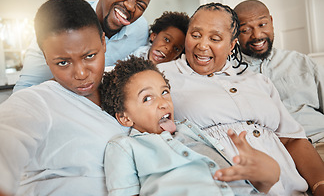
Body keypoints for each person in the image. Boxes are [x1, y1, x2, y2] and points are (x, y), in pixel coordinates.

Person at [157, 2, 324, 196]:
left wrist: (320, 184)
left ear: (231, 45)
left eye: (215, 38)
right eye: (195, 35)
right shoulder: (163, 76)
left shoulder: (257, 81)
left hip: (291, 188)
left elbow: (292, 139)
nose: (202, 45)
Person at [100, 55, 280, 196]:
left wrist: (267, 171)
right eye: (147, 98)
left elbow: (260, 186)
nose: (164, 103)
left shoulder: (190, 130)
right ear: (125, 118)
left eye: (164, 92)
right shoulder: (125, 147)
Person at [0, 0, 126, 196]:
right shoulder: (35, 102)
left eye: (89, 56)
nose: (81, 74)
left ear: (103, 43)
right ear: (45, 57)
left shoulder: (123, 80)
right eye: (62, 63)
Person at [13, 0, 155, 92]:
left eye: (140, 5)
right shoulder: (57, 24)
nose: (130, 6)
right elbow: (23, 91)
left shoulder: (140, 29)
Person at [234, 0, 324, 160]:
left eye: (262, 25)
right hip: (278, 153)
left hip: (320, 139)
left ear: (271, 22)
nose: (257, 35)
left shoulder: (301, 62)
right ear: (234, 33)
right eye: (246, 29)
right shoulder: (229, 73)